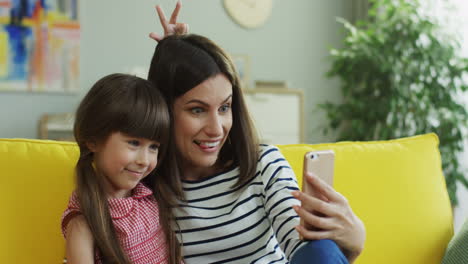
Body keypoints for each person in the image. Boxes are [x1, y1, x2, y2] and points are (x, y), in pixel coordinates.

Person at [146, 5, 366, 261]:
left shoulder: (263, 164)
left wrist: (353, 240)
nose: (217, 129)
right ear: (163, 110)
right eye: (197, 110)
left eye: (225, 107)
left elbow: (307, 249)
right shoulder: (144, 185)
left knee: (321, 250)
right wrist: (170, 57)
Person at [61, 73, 182, 264]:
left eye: (154, 147)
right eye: (134, 143)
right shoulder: (83, 224)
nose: (144, 160)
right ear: (93, 140)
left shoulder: (148, 197)